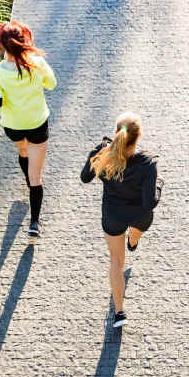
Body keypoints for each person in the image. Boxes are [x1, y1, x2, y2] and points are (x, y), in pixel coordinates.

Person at [81, 112, 163, 328]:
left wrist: (96, 150)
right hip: (139, 216)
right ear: (139, 136)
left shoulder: (103, 153)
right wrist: (159, 186)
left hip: (113, 215)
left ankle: (119, 313)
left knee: (116, 261)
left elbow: (84, 177)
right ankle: (133, 241)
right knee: (136, 233)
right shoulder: (147, 163)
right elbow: (149, 203)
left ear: (116, 132)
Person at [0, 21, 57, 236]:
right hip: (37, 123)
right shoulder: (37, 63)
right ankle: (34, 223)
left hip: (13, 126)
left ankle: (28, 183)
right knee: (37, 177)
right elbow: (52, 84)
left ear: (2, 45)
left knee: (23, 151)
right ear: (24, 40)